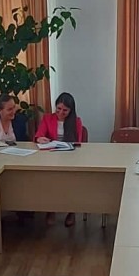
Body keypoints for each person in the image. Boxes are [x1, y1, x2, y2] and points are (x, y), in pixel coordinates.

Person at [34, 92, 87, 226]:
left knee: (70, 182)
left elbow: (78, 142)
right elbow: (39, 134)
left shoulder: (76, 121)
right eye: (58, 108)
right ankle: (51, 209)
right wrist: (40, 138)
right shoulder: (47, 118)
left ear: (71, 110)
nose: (61, 112)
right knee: (50, 181)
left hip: (70, 157)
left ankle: (71, 211)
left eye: (65, 110)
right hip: (51, 156)